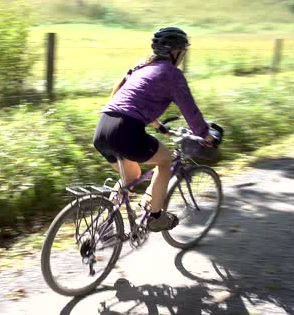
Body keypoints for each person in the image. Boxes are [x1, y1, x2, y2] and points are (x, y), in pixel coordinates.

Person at [93, 26, 218, 232]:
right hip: (126, 130)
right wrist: (205, 135)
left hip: (104, 128)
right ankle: (156, 216)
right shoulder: (172, 74)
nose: (183, 56)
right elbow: (190, 110)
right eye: (183, 51)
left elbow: (133, 103)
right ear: (175, 52)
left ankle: (105, 223)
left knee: (131, 178)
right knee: (166, 160)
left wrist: (159, 127)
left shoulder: (142, 68)